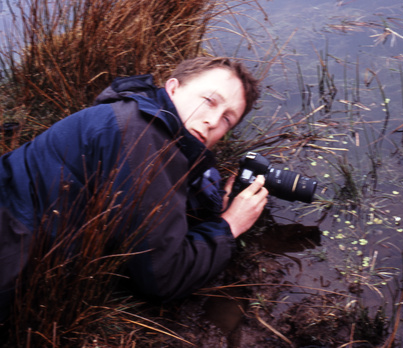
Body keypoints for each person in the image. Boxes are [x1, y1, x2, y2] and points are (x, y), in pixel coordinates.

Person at [0, 57, 269, 323]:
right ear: (173, 88)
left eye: (227, 119)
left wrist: (210, 202)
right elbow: (163, 276)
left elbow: (148, 209)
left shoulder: (134, 113)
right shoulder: (142, 136)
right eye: (209, 100)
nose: (212, 121)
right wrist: (230, 225)